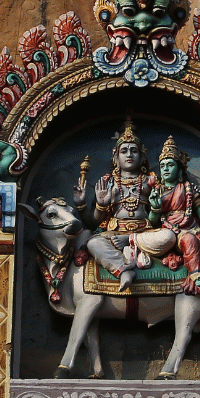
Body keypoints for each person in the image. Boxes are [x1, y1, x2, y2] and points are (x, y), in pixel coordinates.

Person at [75, 118, 168, 291]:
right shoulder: (108, 183)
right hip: (114, 234)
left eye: (134, 151)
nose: (129, 154)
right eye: (124, 151)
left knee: (169, 236)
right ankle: (123, 270)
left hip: (144, 235)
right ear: (116, 158)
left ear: (142, 158)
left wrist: (155, 208)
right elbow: (93, 223)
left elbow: (159, 220)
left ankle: (130, 247)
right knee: (93, 242)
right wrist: (85, 205)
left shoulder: (150, 182)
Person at [148, 137, 200, 295]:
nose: (166, 169)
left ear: (180, 169)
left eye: (170, 165)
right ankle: (196, 276)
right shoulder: (158, 191)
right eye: (162, 166)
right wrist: (155, 207)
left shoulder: (188, 189)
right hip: (172, 230)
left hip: (192, 226)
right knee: (189, 241)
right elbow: (152, 222)